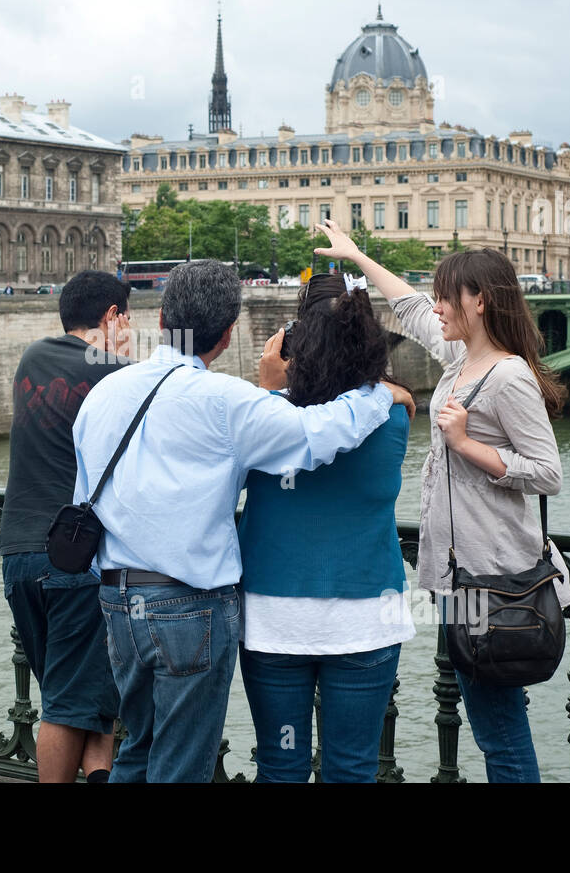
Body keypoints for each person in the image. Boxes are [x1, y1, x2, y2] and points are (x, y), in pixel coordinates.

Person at [72, 258, 416, 783]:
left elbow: (84, 497)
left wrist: (271, 388)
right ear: (230, 331)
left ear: (162, 317)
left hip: (119, 601)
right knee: (183, 762)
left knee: (138, 748)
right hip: (189, 605)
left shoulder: (104, 393)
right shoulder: (230, 403)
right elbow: (313, 437)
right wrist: (376, 391)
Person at [314, 219, 563, 783]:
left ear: (479, 302)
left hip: (496, 578)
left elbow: (548, 472)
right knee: (494, 723)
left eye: (449, 295)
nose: (440, 304)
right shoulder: (459, 358)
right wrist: (356, 256)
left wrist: (466, 444)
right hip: (460, 576)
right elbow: (408, 305)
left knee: (499, 731)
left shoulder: (508, 376)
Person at [237, 273, 414, 783]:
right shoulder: (392, 417)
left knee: (279, 765)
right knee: (353, 767)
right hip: (365, 618)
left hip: (274, 619)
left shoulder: (264, 422)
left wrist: (270, 390)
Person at [0, 270, 132, 783]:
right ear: (111, 317)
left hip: (19, 554)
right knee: (66, 705)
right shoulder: (117, 374)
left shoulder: (33, 357)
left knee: (86, 700)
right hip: (76, 558)